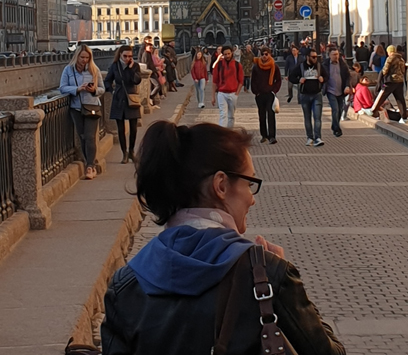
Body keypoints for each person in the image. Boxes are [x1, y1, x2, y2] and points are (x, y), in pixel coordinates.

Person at [101, 120, 345, 355]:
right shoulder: (266, 274)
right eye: (249, 183)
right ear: (221, 185)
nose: (252, 198)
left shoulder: (126, 283)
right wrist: (281, 275)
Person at [59, 44, 105, 179]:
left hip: (92, 106)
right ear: (77, 56)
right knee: (83, 137)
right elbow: (62, 88)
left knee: (90, 137)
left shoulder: (94, 70)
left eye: (87, 57)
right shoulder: (68, 70)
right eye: (82, 57)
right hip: (76, 108)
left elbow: (102, 89)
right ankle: (88, 162)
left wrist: (94, 90)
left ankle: (90, 166)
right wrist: (77, 89)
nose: (84, 60)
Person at [105, 45, 142, 163]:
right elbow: (107, 80)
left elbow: (137, 80)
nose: (127, 58)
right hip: (119, 98)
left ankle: (131, 151)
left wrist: (131, 69)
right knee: (120, 128)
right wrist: (112, 91)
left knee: (134, 128)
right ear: (120, 55)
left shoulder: (135, 66)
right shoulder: (115, 66)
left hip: (131, 98)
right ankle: (124, 153)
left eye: (130, 56)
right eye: (125, 56)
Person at [292, 49, 326, 147]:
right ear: (308, 57)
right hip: (305, 95)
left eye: (316, 57)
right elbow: (291, 77)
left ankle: (318, 137)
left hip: (317, 94)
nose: (315, 59)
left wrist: (322, 79)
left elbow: (326, 76)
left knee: (317, 117)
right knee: (307, 118)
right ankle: (309, 137)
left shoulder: (319, 66)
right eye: (313, 57)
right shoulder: (301, 66)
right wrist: (299, 80)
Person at [365, 45, 408, 123]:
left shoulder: (390, 58)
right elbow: (403, 71)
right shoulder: (401, 59)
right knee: (400, 99)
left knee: (382, 95)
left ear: (390, 52)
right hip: (399, 81)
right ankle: (403, 117)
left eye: (388, 52)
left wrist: (382, 78)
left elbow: (385, 70)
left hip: (390, 81)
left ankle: (372, 110)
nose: (388, 53)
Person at [250, 47, 282, 144]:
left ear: (270, 55)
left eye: (266, 54)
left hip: (270, 93)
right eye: (262, 54)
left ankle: (272, 136)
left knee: (271, 114)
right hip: (260, 94)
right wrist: (256, 92)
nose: (264, 56)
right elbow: (253, 81)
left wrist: (274, 91)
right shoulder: (256, 67)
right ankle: (264, 135)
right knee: (262, 115)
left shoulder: (274, 66)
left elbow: (278, 80)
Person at [211, 45, 243, 128]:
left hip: (233, 93)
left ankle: (229, 132)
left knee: (231, 116)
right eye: (225, 54)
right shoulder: (218, 65)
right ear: (222, 55)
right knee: (223, 114)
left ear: (232, 53)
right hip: (222, 93)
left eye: (229, 53)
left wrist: (237, 93)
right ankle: (223, 133)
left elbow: (241, 80)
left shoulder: (237, 65)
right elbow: (214, 81)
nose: (227, 56)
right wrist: (213, 97)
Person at [324, 49, 351, 137]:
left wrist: (347, 86)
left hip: (341, 90)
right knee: (335, 109)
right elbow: (321, 75)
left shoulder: (342, 64)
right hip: (330, 90)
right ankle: (337, 128)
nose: (336, 56)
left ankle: (334, 125)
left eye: (337, 54)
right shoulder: (325, 64)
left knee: (340, 109)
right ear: (329, 55)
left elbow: (348, 76)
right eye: (334, 54)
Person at [139, 42, 161, 106]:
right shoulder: (146, 54)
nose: (151, 49)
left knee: (154, 86)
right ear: (146, 47)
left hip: (152, 71)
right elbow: (147, 64)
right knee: (158, 85)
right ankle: (150, 97)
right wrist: (153, 71)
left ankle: (152, 100)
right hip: (150, 72)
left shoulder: (148, 53)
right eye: (150, 47)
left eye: (152, 48)